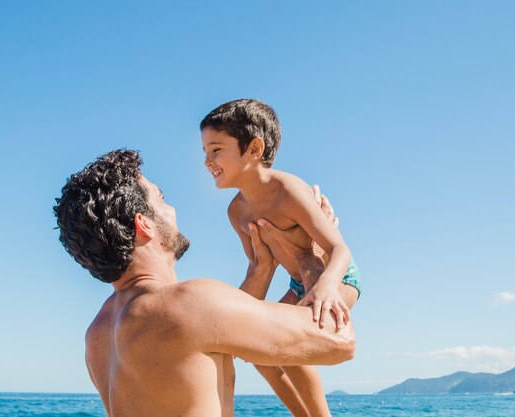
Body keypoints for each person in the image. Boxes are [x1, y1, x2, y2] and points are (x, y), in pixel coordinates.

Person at [53, 149, 355, 417]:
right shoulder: (189, 304)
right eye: (161, 199)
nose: (172, 210)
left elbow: (217, 341)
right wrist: (308, 254)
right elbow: (338, 340)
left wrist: (260, 269)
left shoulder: (98, 335)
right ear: (143, 224)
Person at [200, 99, 361, 417]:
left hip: (337, 277)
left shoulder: (289, 191)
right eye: (205, 153)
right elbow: (261, 267)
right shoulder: (237, 212)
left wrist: (327, 286)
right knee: (261, 351)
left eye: (216, 150)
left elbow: (339, 249)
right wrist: (241, 321)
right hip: (299, 283)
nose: (207, 161)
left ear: (254, 149)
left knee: (291, 344)